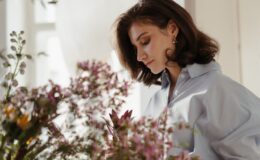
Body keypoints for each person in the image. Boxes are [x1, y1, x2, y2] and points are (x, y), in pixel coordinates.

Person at [113, 0, 260, 159]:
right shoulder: (155, 104)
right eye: (135, 48)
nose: (139, 56)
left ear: (172, 29)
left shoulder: (217, 90)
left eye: (145, 41)